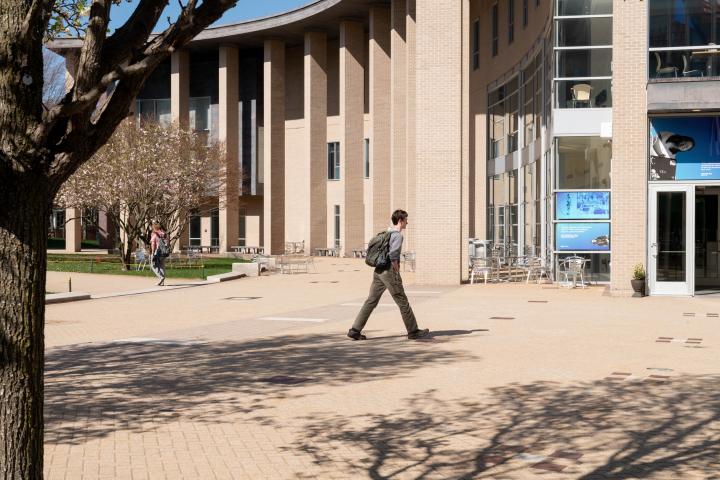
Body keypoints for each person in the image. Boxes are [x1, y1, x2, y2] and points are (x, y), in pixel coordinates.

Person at [348, 210, 430, 341]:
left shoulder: (387, 232)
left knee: (371, 301)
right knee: (402, 301)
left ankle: (355, 330)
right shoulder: (397, 235)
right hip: (388, 271)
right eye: (406, 220)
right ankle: (413, 331)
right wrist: (396, 269)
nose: (407, 222)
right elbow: (393, 254)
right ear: (400, 221)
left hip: (378, 271)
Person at [150, 221, 168, 286]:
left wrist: (152, 253)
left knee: (153, 265)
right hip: (164, 252)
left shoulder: (154, 234)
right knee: (161, 266)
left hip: (157, 252)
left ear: (154, 227)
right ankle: (162, 282)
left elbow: (153, 244)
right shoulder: (164, 233)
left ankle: (161, 277)